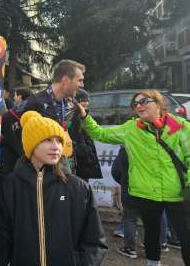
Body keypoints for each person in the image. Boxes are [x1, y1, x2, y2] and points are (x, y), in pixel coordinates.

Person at [79, 89, 190, 265]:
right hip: (146, 194)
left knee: (186, 237)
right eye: (135, 104)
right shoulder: (131, 129)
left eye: (144, 101)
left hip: (177, 194)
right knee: (151, 235)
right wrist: (85, 117)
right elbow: (101, 134)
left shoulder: (181, 127)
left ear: (159, 104)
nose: (139, 106)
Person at [0, 111, 107, 266]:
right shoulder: (10, 187)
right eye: (47, 140)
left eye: (59, 141)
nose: (56, 146)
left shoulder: (79, 188)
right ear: (31, 144)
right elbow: (1, 239)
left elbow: (95, 242)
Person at [24, 59, 86, 173]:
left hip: (67, 169)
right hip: (42, 173)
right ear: (66, 80)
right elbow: (14, 129)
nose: (82, 85)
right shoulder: (35, 102)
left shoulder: (73, 105)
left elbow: (76, 134)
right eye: (80, 80)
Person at [111, 147, 140, 259]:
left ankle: (130, 249)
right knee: (151, 219)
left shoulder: (127, 147)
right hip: (150, 190)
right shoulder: (153, 145)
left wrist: (124, 181)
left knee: (130, 219)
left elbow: (115, 170)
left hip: (130, 188)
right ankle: (152, 248)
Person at [74, 89, 102, 181]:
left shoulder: (85, 116)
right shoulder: (71, 118)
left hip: (86, 162)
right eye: (82, 100)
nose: (86, 103)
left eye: (87, 100)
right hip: (77, 162)